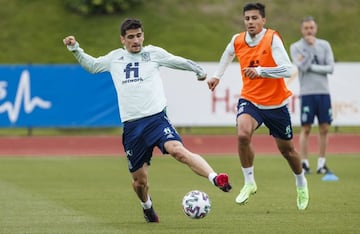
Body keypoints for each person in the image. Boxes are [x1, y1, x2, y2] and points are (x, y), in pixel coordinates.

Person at [63, 18, 232, 223]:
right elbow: (92, 66)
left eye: (139, 35)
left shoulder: (153, 54)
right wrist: (75, 49)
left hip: (156, 119)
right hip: (132, 127)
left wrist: (199, 71)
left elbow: (177, 60)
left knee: (177, 150)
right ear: (123, 40)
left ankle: (215, 178)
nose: (136, 40)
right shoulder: (114, 58)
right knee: (139, 182)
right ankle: (147, 206)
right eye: (131, 37)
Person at [207, 2, 309, 210]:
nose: (251, 22)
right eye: (247, 19)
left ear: (263, 20)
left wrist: (262, 71)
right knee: (243, 135)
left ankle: (301, 184)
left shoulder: (272, 38)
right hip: (251, 100)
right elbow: (227, 55)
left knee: (287, 150)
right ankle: (249, 182)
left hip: (276, 104)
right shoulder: (237, 40)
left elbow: (289, 70)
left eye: (255, 18)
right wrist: (217, 76)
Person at [290, 16, 335, 175]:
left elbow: (330, 68)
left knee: (324, 127)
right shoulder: (296, 47)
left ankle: (321, 163)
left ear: (315, 29)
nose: (309, 31)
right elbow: (301, 65)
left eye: (311, 28)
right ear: (302, 30)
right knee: (306, 128)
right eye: (306, 28)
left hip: (323, 92)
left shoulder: (324, 45)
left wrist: (310, 66)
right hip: (307, 92)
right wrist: (309, 50)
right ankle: (305, 163)